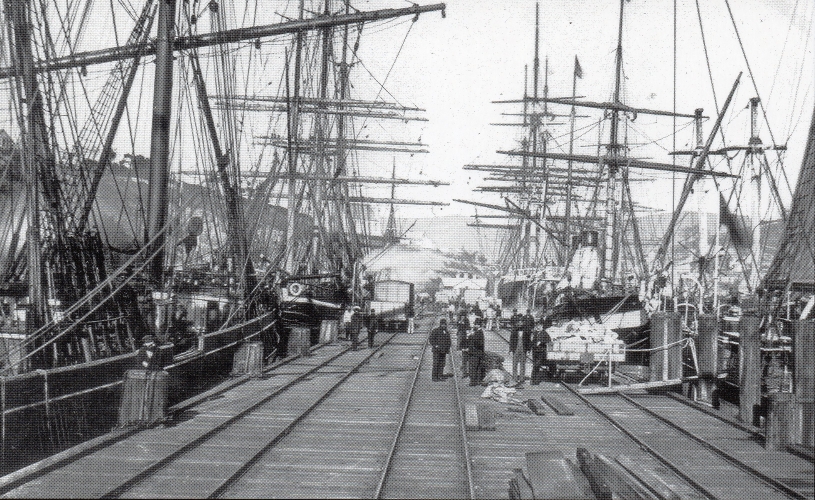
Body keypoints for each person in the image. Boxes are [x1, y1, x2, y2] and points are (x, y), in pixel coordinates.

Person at [530, 318, 552, 385]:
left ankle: (534, 380)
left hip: (541, 352)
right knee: (535, 365)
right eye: (537, 326)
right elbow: (532, 341)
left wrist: (541, 342)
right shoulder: (535, 333)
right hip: (535, 351)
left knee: (537, 365)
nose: (538, 327)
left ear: (542, 326)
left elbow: (549, 340)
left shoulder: (544, 333)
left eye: (539, 326)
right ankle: (533, 380)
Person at [468, 318, 486, 386]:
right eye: (475, 324)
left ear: (479, 325)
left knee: (473, 367)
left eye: (476, 324)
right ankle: (476, 381)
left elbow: (480, 343)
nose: (475, 326)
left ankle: (473, 382)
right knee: (476, 367)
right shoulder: (477, 332)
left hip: (476, 353)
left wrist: (471, 336)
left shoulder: (479, 333)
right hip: (476, 352)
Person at [508, 309, 525, 381]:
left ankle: (521, 378)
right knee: (514, 364)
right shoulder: (514, 332)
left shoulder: (526, 331)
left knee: (522, 365)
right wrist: (510, 349)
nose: (520, 324)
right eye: (519, 322)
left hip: (523, 349)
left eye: (521, 322)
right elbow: (511, 341)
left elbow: (528, 341)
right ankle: (514, 378)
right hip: (515, 349)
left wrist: (528, 349)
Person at [457, 310, 471, 376]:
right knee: (462, 356)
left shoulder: (466, 320)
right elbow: (458, 326)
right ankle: (463, 370)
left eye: (463, 316)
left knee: (465, 357)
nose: (462, 317)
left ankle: (464, 370)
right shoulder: (460, 320)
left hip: (464, 335)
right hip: (461, 334)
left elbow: (468, 327)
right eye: (461, 316)